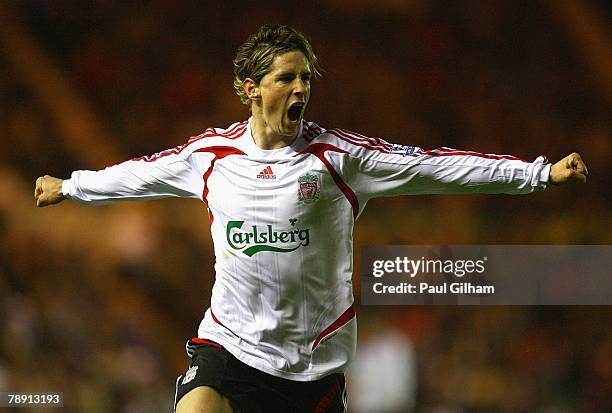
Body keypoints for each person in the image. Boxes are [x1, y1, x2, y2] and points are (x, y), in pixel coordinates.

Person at [35, 25, 588, 413]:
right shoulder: (211, 157)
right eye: (286, 78)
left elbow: (434, 166)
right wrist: (71, 186)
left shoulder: (339, 160)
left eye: (306, 78)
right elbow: (142, 173)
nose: (301, 88)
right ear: (251, 90)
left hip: (311, 370)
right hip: (230, 348)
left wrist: (537, 174)